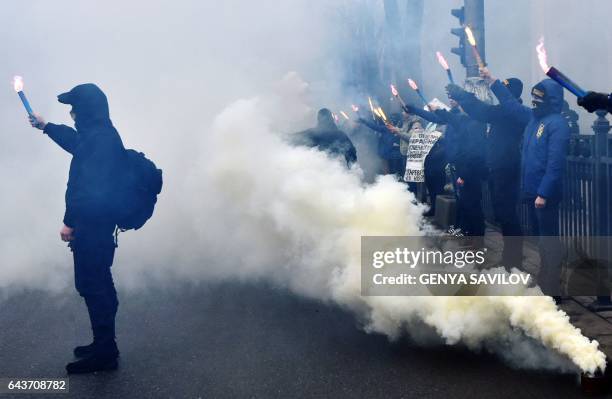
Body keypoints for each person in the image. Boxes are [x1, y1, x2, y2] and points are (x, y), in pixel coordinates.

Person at [29, 84, 124, 373]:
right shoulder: (100, 135)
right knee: (98, 283)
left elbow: (85, 191)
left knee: (93, 285)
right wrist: (46, 127)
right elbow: (75, 142)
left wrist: (70, 223)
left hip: (92, 224)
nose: (71, 113)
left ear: (86, 110)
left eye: (74, 108)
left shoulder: (100, 140)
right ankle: (104, 344)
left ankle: (105, 353)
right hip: (99, 222)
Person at [481, 68, 570, 299]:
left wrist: (544, 193)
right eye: (533, 97)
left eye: (539, 98)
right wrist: (493, 81)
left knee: (548, 241)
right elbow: (511, 104)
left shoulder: (557, 124)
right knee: (539, 241)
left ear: (550, 100)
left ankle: (552, 288)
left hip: (544, 195)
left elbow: (555, 164)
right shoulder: (533, 118)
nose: (534, 101)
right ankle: (544, 281)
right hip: (532, 192)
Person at [446, 79, 526, 269]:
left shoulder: (509, 113)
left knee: (508, 217)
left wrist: (461, 95)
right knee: (504, 216)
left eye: (503, 91)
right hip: (498, 168)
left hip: (506, 169)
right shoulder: (506, 111)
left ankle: (513, 262)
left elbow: (480, 111)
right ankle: (510, 259)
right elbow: (480, 111)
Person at [405, 99, 487, 237]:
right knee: (462, 201)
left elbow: (473, 152)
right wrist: (414, 109)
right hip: (457, 164)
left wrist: (465, 174)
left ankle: (475, 237)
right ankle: (463, 229)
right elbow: (434, 117)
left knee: (471, 202)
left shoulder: (473, 122)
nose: (460, 105)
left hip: (468, 167)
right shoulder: (457, 117)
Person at [293, 108, 357, 167]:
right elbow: (351, 154)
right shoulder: (340, 134)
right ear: (331, 119)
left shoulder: (313, 133)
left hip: (322, 171)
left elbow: (296, 139)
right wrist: (352, 170)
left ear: (318, 119)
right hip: (333, 171)